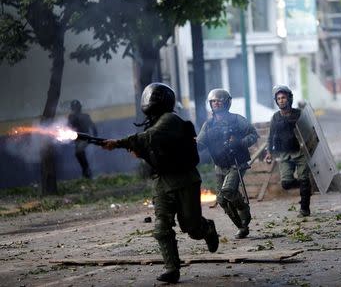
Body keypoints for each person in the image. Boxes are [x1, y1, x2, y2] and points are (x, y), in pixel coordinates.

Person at [102, 83, 219, 283]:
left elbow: (149, 138)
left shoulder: (170, 119)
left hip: (184, 180)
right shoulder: (152, 123)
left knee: (192, 227)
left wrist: (119, 143)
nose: (150, 101)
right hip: (162, 182)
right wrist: (140, 152)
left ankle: (207, 228)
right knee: (161, 227)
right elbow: (152, 149)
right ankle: (172, 268)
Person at [197, 88, 259, 239]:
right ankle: (242, 227)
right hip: (220, 165)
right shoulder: (209, 124)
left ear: (226, 102)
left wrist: (240, 142)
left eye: (219, 100)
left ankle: (244, 212)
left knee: (228, 190)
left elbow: (253, 134)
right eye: (213, 101)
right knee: (221, 200)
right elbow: (200, 143)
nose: (216, 103)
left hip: (236, 162)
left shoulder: (237, 119)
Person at [264, 85, 312, 217]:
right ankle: (305, 187)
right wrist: (269, 152)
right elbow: (270, 136)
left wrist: (310, 148)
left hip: (299, 152)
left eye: (283, 97)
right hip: (284, 154)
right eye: (278, 98)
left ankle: (304, 209)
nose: (281, 100)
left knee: (303, 178)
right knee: (286, 183)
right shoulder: (275, 117)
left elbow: (309, 132)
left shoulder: (298, 114)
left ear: (289, 99)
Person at [67, 100, 98, 179]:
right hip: (77, 139)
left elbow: (93, 126)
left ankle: (87, 171)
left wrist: (95, 138)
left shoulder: (85, 116)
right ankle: (85, 171)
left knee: (79, 152)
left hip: (85, 138)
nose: (76, 109)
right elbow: (68, 127)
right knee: (78, 154)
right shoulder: (71, 117)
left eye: (77, 107)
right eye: (74, 108)